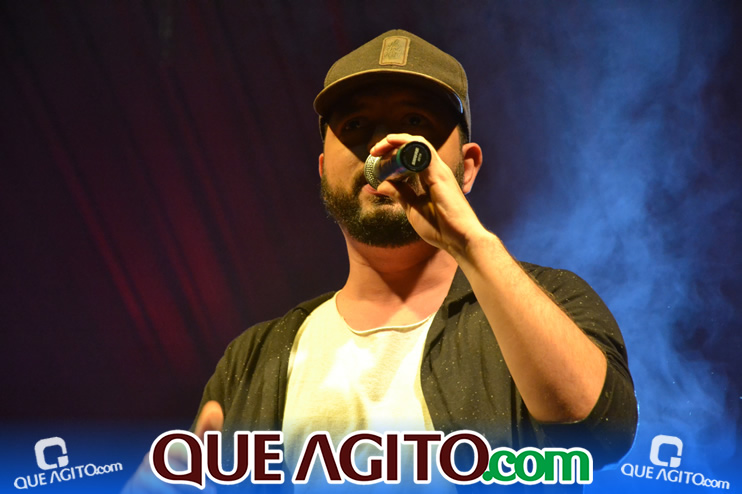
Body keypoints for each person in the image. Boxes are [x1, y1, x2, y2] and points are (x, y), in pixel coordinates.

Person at [125, 29, 637, 493]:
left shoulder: (548, 300)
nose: (383, 146)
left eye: (415, 123)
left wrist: (471, 243)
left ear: (467, 168)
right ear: (323, 169)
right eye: (356, 125)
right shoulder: (256, 357)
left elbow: (603, 432)